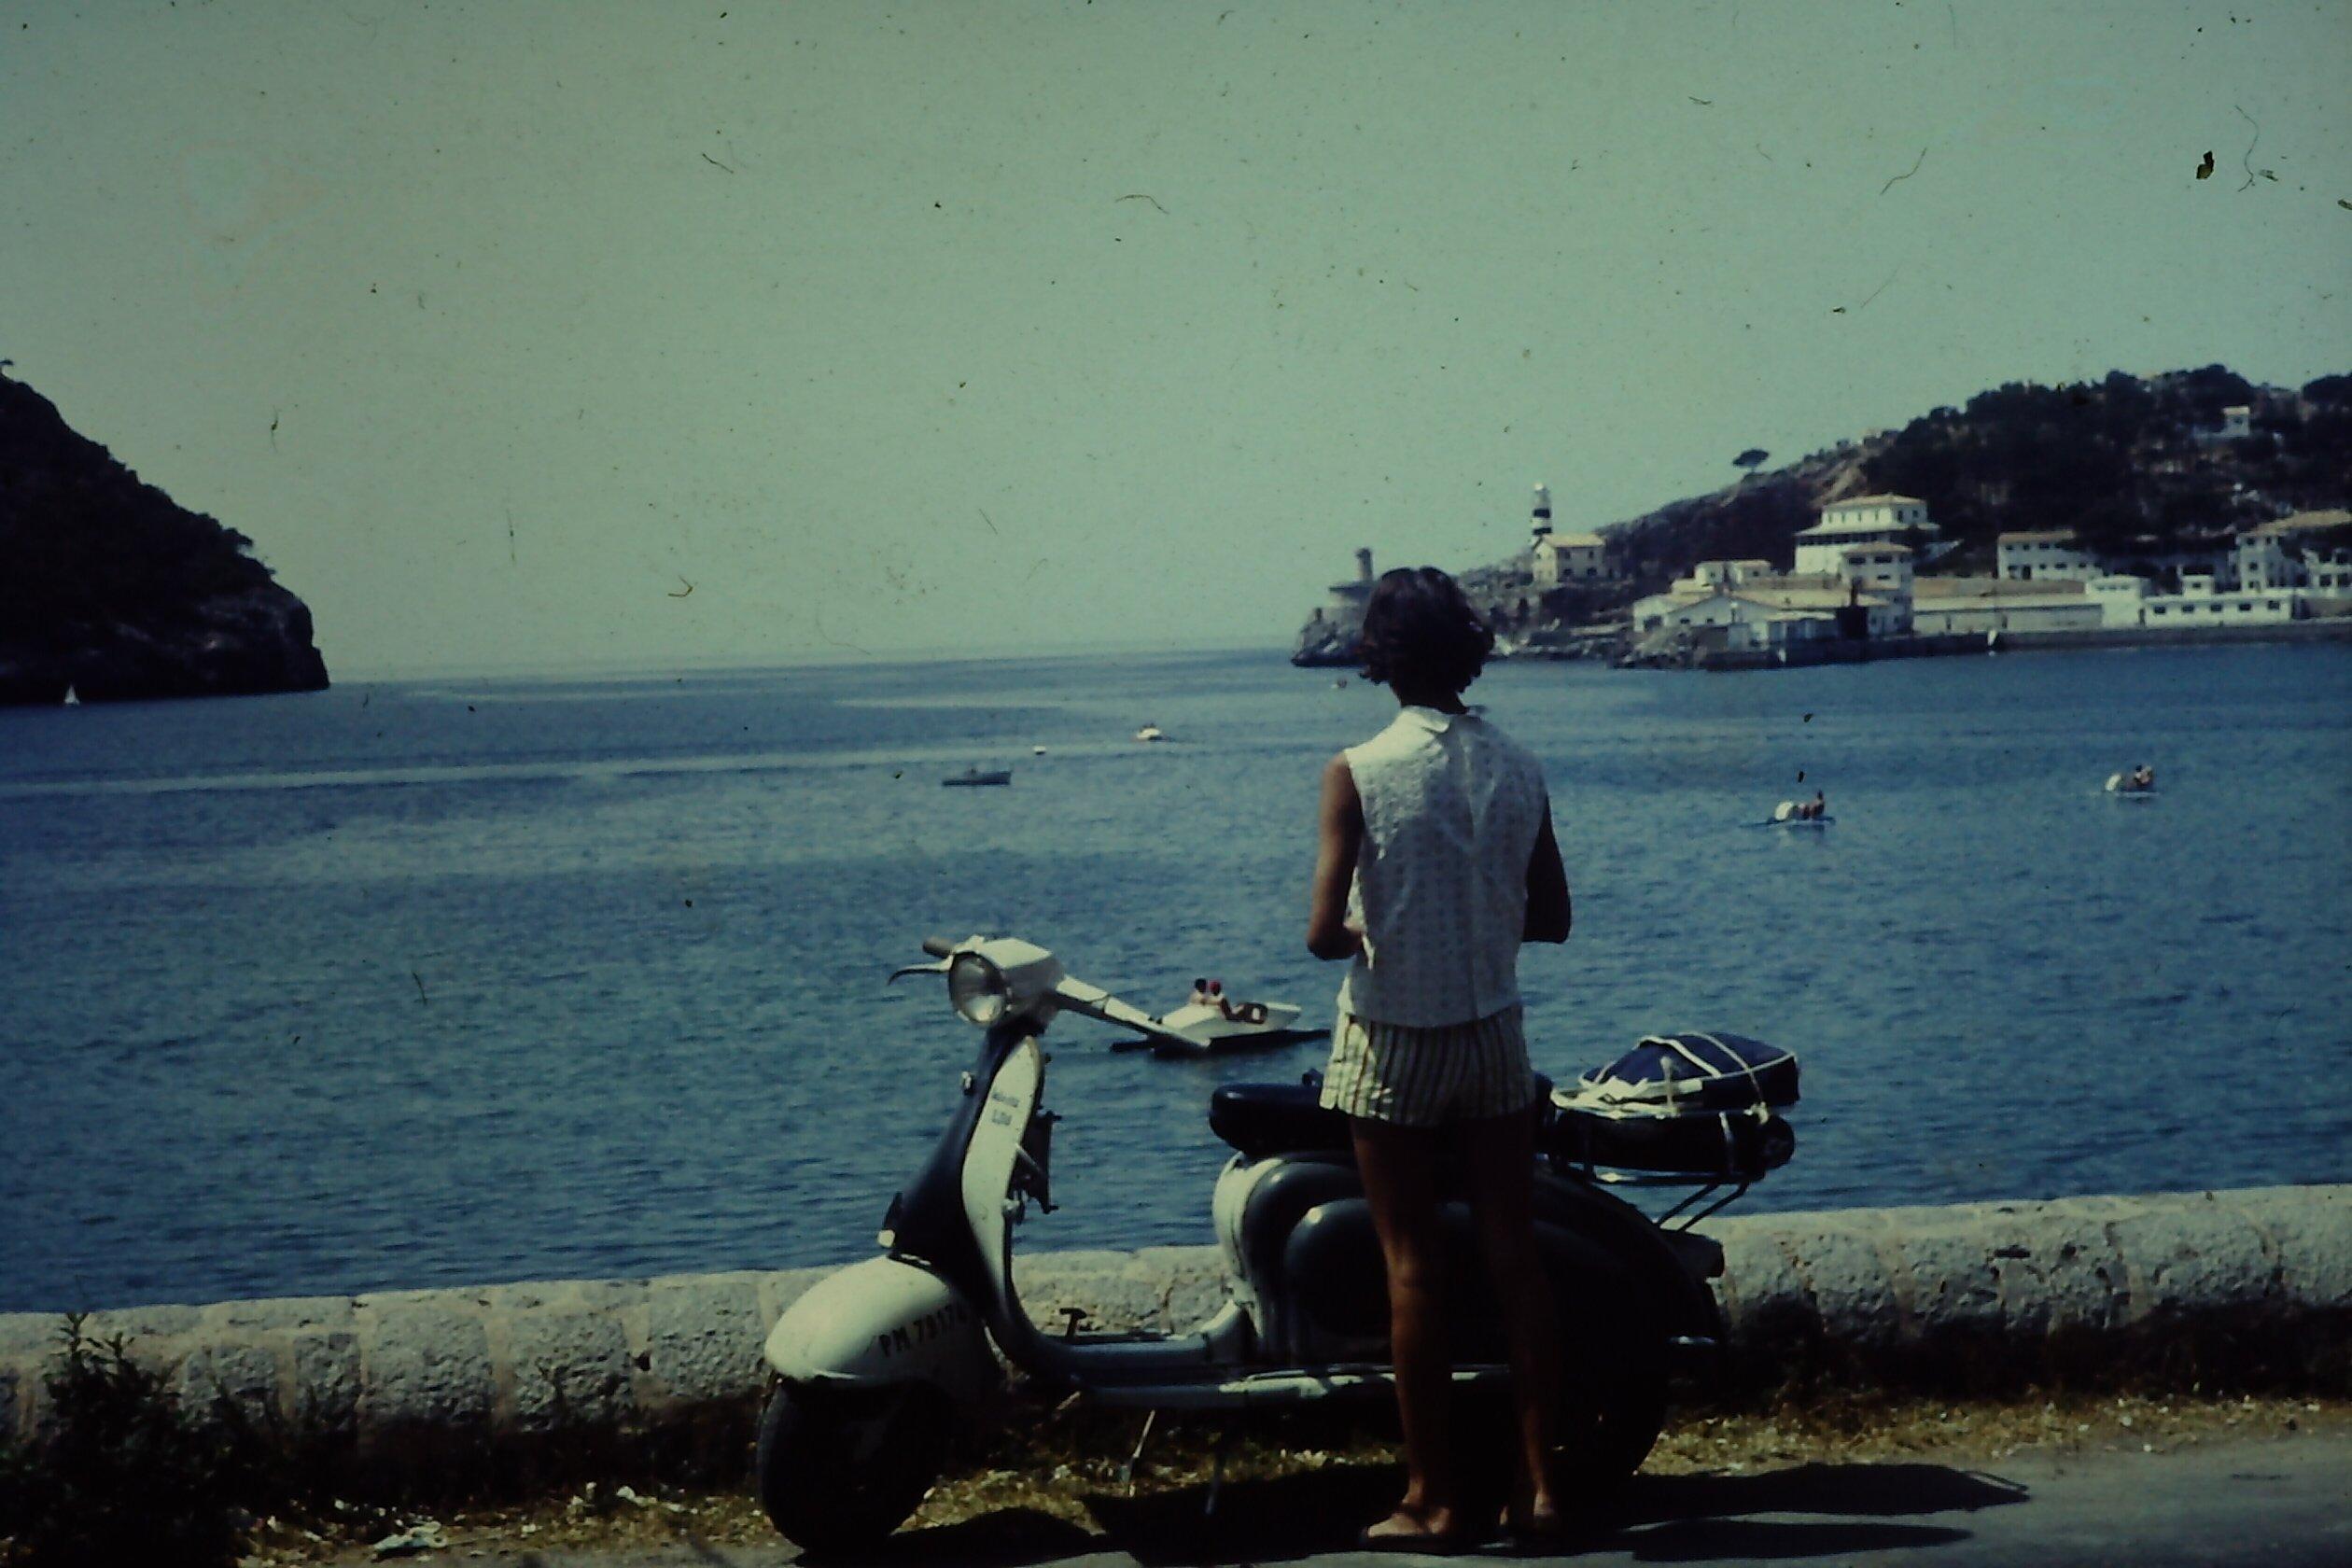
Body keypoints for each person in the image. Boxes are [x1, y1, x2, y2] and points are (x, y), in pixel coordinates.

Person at [1305, 566, 1574, 1550]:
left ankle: (1435, 1498)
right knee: (1516, 1263)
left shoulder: (1358, 769)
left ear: (1380, 660)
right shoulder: (1521, 764)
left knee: (1412, 1268)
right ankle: (1544, 1489)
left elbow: (1322, 931)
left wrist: (1382, 928)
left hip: (1393, 1039)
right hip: (1494, 1032)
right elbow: (1554, 917)